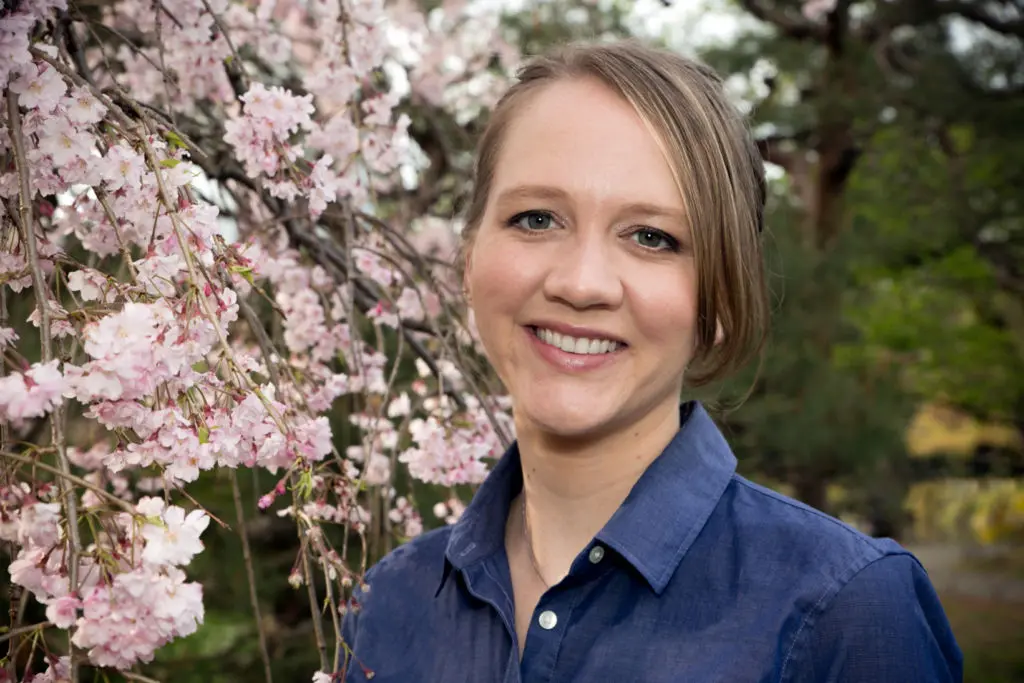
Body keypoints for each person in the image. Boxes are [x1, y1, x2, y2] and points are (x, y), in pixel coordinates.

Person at [341, 40, 963, 682]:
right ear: (468, 259)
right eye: (536, 218)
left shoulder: (844, 612)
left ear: (717, 299)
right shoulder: (387, 606)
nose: (582, 284)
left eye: (652, 238)